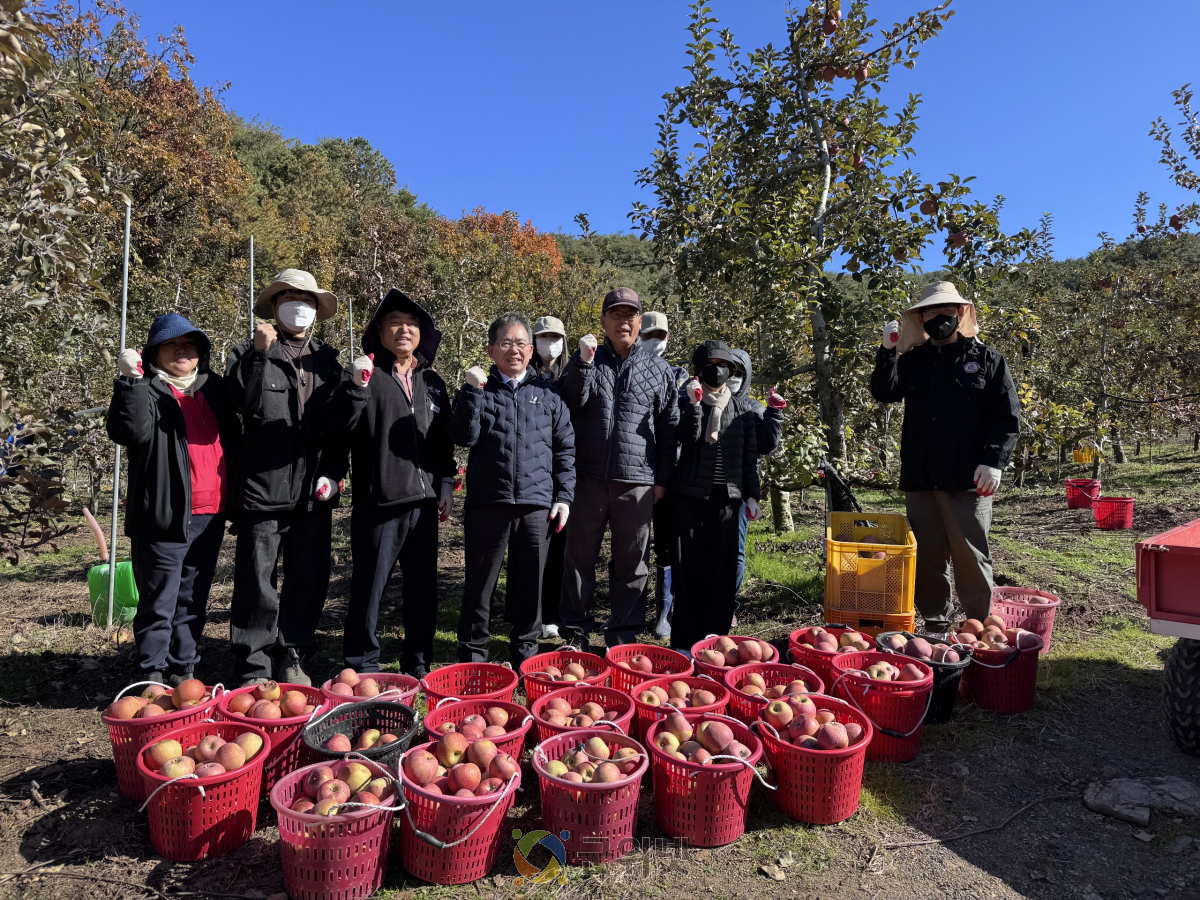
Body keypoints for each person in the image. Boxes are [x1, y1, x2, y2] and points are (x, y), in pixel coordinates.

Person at [869, 280, 1020, 633]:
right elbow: (885, 391)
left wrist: (994, 461)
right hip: (922, 475)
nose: (939, 318)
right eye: (931, 313)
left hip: (968, 476)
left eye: (946, 312)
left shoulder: (986, 360)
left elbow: (1007, 416)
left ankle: (980, 628)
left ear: (960, 314)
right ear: (920, 319)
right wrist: (887, 351)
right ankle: (935, 622)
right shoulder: (912, 361)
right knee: (927, 557)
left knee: (971, 555)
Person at [224, 269, 349, 686]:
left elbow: (339, 429)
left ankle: (293, 651)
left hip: (313, 490)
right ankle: (253, 664)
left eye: (308, 299)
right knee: (257, 580)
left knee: (308, 577)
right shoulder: (247, 353)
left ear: (316, 310)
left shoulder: (329, 362)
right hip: (263, 487)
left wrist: (333, 472)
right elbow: (242, 404)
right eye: (291, 297)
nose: (300, 305)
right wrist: (260, 355)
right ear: (275, 306)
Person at [323, 288, 455, 678]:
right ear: (379, 329)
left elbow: (442, 440)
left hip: (424, 502)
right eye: (395, 322)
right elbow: (338, 428)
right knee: (368, 588)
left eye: (412, 324)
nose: (404, 329)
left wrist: (445, 481)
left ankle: (417, 663)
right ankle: (361, 665)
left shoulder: (433, 382)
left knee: (422, 590)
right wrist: (355, 387)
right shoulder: (365, 375)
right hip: (378, 502)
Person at [107, 314, 241, 686]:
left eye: (189, 344)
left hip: (210, 513)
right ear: (154, 352)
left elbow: (233, 438)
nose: (182, 350)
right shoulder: (147, 389)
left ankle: (184, 669)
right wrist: (130, 382)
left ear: (201, 352)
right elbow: (130, 431)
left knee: (193, 597)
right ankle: (152, 674)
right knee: (159, 600)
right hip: (164, 516)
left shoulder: (213, 389)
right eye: (171, 344)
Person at [450, 312, 576, 668]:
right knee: (479, 583)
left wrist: (564, 497)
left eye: (521, 343)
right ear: (491, 349)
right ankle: (473, 655)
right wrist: (470, 392)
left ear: (531, 349)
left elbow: (565, 448)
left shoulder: (547, 394)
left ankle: (525, 655)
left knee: (530, 585)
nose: (514, 350)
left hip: (536, 504)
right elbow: (462, 435)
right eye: (506, 342)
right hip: (488, 502)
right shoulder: (481, 389)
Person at [557, 288, 680, 649]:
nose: (622, 321)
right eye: (615, 314)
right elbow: (568, 406)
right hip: (589, 477)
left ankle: (622, 636)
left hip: (638, 482)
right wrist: (582, 364)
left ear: (640, 323)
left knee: (632, 563)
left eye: (630, 315)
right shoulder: (585, 362)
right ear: (603, 321)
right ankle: (575, 632)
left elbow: (670, 427)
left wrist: (662, 480)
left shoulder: (659, 370)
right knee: (579, 559)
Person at [668, 340, 761, 652]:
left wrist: (752, 495)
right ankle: (684, 641)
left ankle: (716, 642)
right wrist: (694, 407)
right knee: (687, 569)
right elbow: (687, 439)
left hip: (727, 499)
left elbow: (749, 458)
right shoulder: (687, 400)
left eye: (724, 364)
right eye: (712, 364)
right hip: (689, 496)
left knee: (721, 571)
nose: (718, 370)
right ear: (701, 369)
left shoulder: (743, 410)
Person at [638, 311, 688, 640]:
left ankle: (664, 613)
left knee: (668, 545)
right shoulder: (627, 372)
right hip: (635, 471)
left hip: (669, 473)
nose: (654, 340)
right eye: (648, 334)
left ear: (667, 339)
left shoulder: (680, 375)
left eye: (660, 335)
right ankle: (627, 609)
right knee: (633, 544)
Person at [729, 348, 788, 598]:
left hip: (742, 488)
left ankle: (728, 603)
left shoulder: (753, 407)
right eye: (728, 370)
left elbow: (767, 444)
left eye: (738, 373)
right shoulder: (711, 401)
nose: (732, 377)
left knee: (735, 549)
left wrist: (774, 414)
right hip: (708, 486)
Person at [527, 315, 571, 639]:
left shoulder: (572, 374)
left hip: (563, 469)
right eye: (542, 337)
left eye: (555, 337)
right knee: (529, 545)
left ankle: (551, 614)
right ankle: (526, 612)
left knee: (558, 544)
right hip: (531, 471)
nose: (549, 342)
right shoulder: (523, 375)